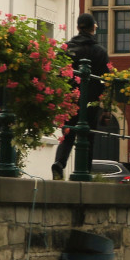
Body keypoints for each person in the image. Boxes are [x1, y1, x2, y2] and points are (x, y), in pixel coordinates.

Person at [52, 13, 109, 180]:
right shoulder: (100, 51)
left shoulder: (66, 49)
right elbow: (107, 80)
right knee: (88, 136)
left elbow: (58, 74)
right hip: (91, 101)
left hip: (69, 98)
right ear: (93, 28)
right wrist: (106, 109)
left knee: (68, 133)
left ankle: (59, 163)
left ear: (78, 28)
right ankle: (83, 172)